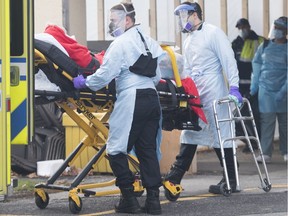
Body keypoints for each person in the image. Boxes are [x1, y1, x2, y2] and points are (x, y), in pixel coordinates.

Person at [73, 2, 164, 214]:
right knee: (147, 149)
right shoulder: (150, 42)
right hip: (152, 98)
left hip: (133, 98)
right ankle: (153, 201)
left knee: (115, 150)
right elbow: (157, 76)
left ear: (128, 20)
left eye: (114, 20)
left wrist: (85, 83)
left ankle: (129, 199)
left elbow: (105, 74)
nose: (110, 24)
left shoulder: (121, 43)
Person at [164, 2, 243, 195]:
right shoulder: (189, 39)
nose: (182, 21)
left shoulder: (214, 33)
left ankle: (231, 179)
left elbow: (228, 60)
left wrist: (234, 87)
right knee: (191, 131)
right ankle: (174, 177)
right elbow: (189, 68)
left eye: (185, 16)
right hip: (197, 91)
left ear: (196, 15)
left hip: (214, 89)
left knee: (220, 135)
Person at [251, 16, 287, 163]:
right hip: (265, 89)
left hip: (284, 89)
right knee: (266, 121)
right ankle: (265, 152)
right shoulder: (264, 46)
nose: (277, 31)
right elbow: (257, 64)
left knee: (285, 122)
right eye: (276, 27)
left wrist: (285, 90)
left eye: (280, 28)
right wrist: (254, 86)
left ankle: (286, 151)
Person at [232, 18, 264, 153]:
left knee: (256, 115)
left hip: (255, 85)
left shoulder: (260, 41)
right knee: (238, 117)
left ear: (249, 26)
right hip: (240, 85)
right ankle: (250, 142)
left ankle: (258, 143)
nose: (241, 30)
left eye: (243, 27)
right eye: (239, 28)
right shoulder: (236, 43)